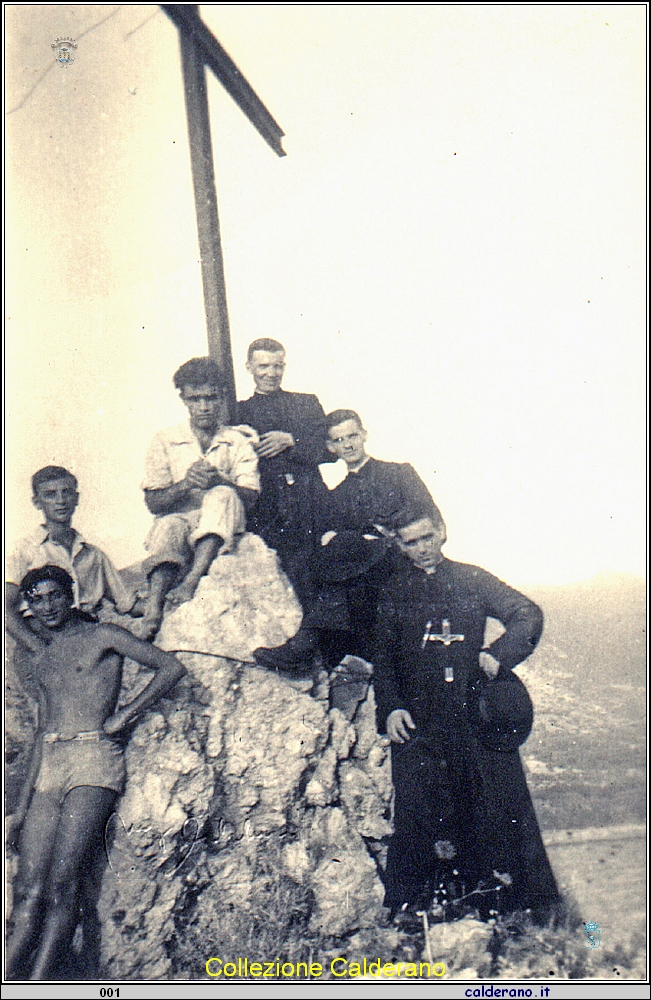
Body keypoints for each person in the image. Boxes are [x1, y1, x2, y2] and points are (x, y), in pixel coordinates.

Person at [372, 509, 560, 920]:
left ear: (440, 533)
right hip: (420, 721)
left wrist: (498, 655)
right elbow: (383, 659)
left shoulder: (472, 578)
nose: (420, 549)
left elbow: (527, 614)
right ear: (399, 546)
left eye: (425, 538)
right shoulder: (392, 590)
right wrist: (391, 708)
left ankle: (521, 909)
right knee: (422, 811)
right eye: (410, 542)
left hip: (475, 714)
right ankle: (419, 911)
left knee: (498, 805)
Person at [5, 565, 187, 980]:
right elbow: (41, 730)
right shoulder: (42, 656)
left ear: (71, 598)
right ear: (28, 605)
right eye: (36, 598)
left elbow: (170, 667)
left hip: (93, 758)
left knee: (61, 885)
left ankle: (39, 983)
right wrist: (22, 806)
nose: (47, 606)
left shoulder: (102, 636)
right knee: (27, 891)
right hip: (50, 763)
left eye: (55, 595)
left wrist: (126, 712)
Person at [254, 409, 442, 668]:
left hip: (407, 559)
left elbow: (435, 523)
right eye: (339, 440)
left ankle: (308, 639)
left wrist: (398, 540)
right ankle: (316, 640)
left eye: (352, 436)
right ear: (330, 447)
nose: (348, 445)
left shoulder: (399, 474)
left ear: (364, 435)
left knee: (346, 545)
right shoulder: (337, 494)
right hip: (368, 573)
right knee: (332, 550)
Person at [136, 357, 260, 639]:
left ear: (221, 398)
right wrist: (184, 485)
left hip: (221, 521)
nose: (204, 407)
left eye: (211, 398)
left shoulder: (237, 440)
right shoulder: (165, 439)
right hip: (182, 520)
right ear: (184, 399)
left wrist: (220, 480)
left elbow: (251, 497)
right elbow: (152, 502)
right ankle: (154, 608)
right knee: (167, 526)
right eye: (195, 399)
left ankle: (191, 580)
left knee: (222, 493)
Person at [236, 338, 332, 604]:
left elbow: (330, 450)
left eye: (277, 366)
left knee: (320, 578)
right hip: (267, 509)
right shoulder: (239, 411)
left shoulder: (306, 403)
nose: (271, 373)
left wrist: (291, 440)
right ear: (249, 367)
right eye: (263, 366)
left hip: (309, 504)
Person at [6, 466, 137, 652]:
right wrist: (40, 649)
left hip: (86, 637)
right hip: (43, 638)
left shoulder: (93, 555)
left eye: (66, 492)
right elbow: (5, 610)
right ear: (37, 502)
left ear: (76, 498)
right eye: (50, 494)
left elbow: (127, 604)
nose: (60, 501)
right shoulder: (24, 551)